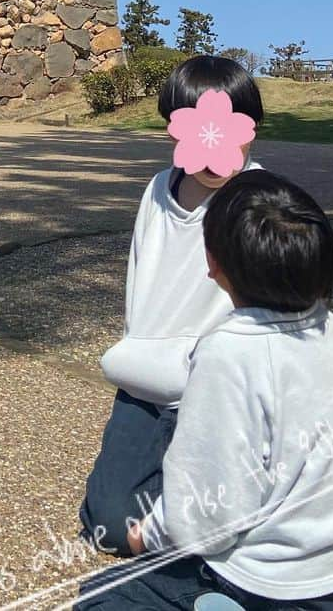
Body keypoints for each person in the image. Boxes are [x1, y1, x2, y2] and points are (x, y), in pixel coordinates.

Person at [78, 171, 333, 609]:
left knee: (100, 597)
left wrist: (146, 534)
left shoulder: (228, 353)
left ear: (213, 263)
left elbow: (212, 509)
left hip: (267, 584)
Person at [80, 56, 265, 557]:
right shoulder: (159, 190)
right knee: (108, 527)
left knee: (222, 530)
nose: (213, 148)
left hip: (219, 394)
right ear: (173, 131)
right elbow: (143, 273)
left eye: (228, 129)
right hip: (144, 383)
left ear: (251, 130)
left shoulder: (258, 201)